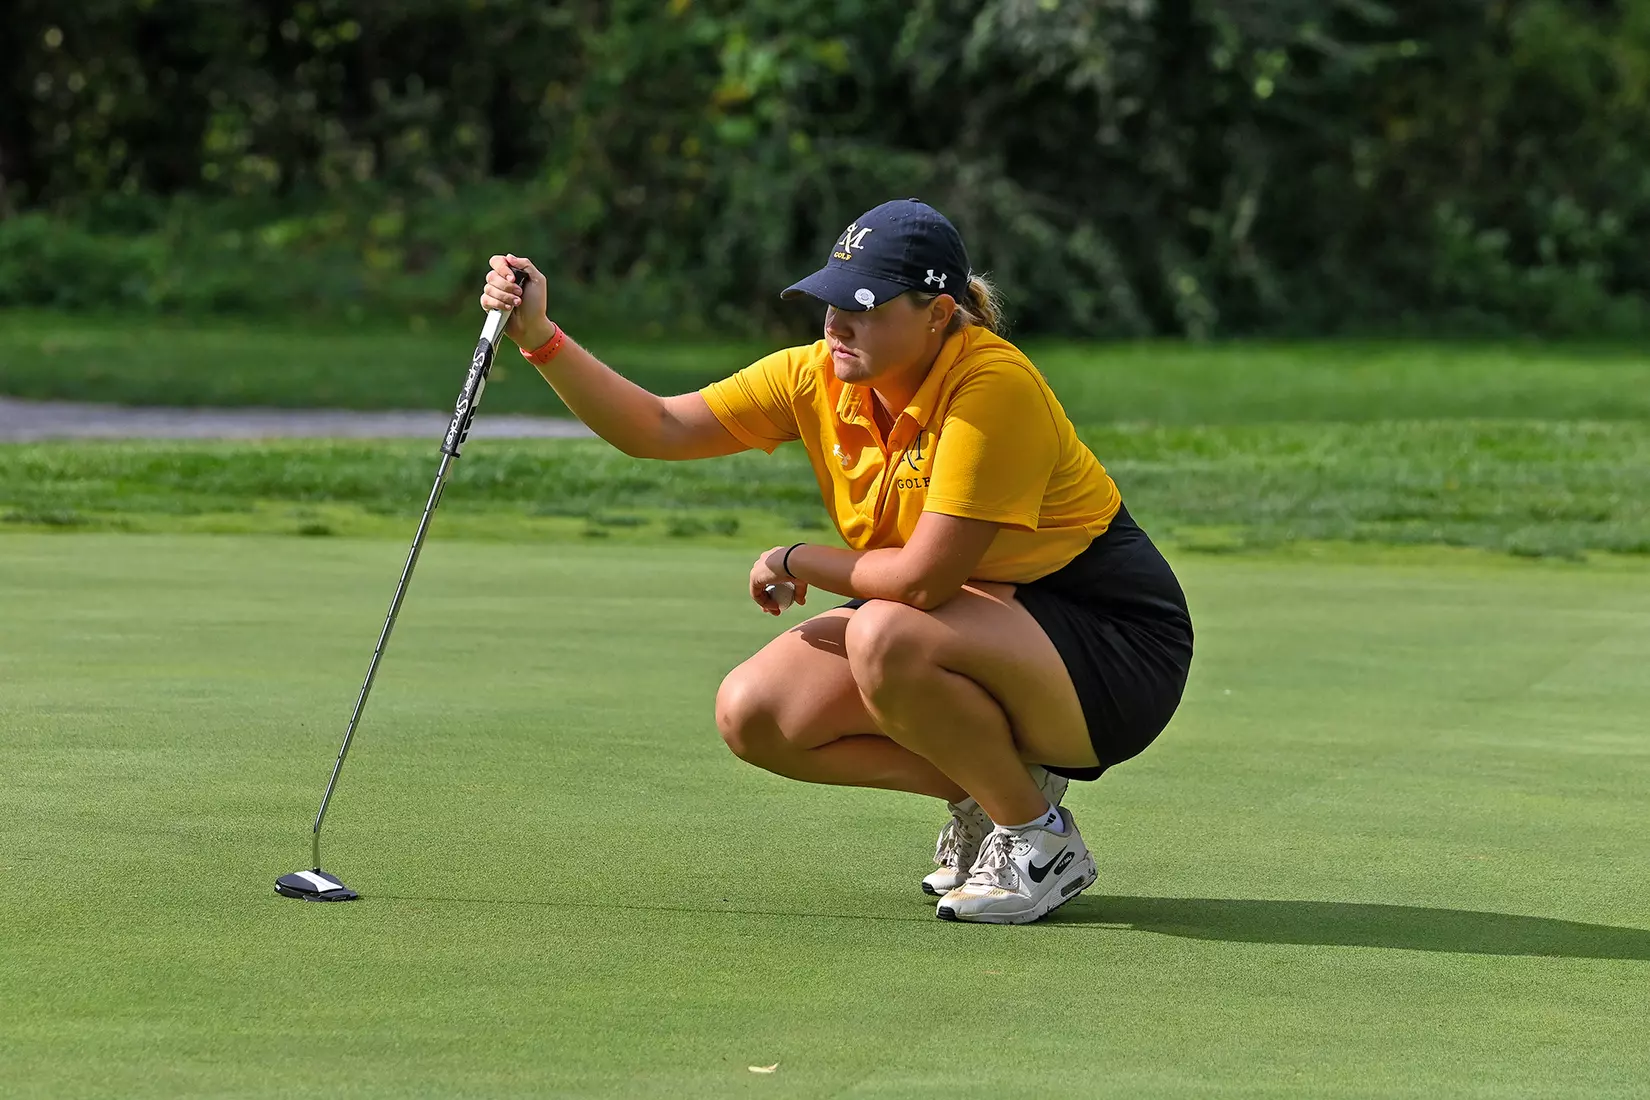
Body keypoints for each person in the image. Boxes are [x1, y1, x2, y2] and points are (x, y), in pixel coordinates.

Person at [478, 198, 1194, 924]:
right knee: (756, 711)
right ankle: (991, 788)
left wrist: (799, 558)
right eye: (829, 303)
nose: (836, 325)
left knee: (882, 632)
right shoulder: (817, 377)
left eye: (865, 308)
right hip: (970, 625)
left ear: (939, 314)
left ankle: (1038, 840)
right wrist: (540, 337)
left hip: (1111, 651)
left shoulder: (991, 386)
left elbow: (922, 580)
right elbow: (659, 427)